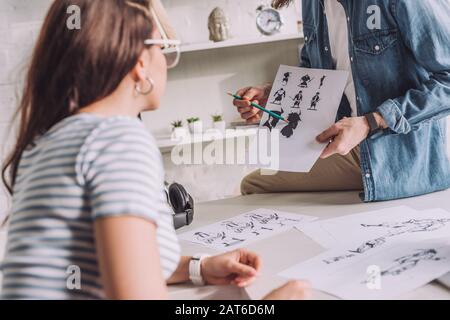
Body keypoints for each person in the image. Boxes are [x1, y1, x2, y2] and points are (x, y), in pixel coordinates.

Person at [0, 0, 309, 300]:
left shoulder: (47, 142)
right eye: (163, 50)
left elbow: (105, 264)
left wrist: (198, 268)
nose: (166, 62)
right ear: (139, 64)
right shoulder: (118, 141)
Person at [234, 0, 450, 202]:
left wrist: (370, 122)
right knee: (254, 186)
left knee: (255, 187)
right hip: (350, 146)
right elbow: (315, 73)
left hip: (401, 157)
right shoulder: (313, 4)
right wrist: (275, 96)